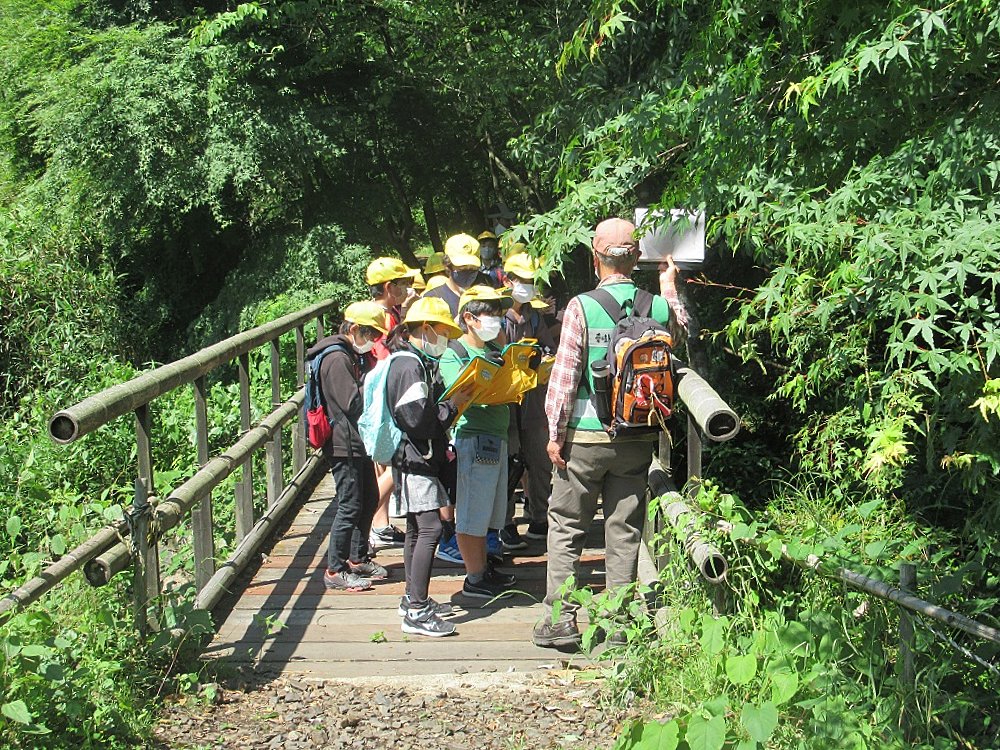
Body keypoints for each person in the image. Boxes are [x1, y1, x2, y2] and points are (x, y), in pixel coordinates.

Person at [532, 217, 680, 649]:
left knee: (565, 526)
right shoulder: (655, 306)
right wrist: (668, 286)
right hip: (636, 436)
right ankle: (621, 625)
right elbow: (681, 333)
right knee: (624, 529)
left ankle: (560, 620)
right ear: (636, 258)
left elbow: (563, 378)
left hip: (585, 436)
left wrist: (554, 435)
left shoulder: (582, 306)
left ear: (595, 256)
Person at [385, 297, 475, 635]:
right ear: (425, 329)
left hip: (411, 457)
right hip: (414, 458)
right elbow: (416, 421)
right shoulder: (409, 365)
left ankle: (412, 599)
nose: (444, 340)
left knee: (415, 529)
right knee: (430, 529)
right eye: (441, 332)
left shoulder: (409, 360)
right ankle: (418, 611)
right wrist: (452, 407)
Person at [437, 285, 519, 599]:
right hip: (473, 440)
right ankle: (473, 577)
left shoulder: (492, 352)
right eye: (491, 314)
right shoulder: (454, 353)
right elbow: (459, 397)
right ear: (470, 318)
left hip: (497, 437)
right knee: (472, 512)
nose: (497, 320)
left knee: (490, 512)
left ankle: (484, 569)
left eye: (500, 313)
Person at [314, 301, 392, 592]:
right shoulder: (336, 359)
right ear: (355, 328)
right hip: (342, 443)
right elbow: (352, 403)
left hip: (356, 440)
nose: (373, 340)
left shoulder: (348, 354)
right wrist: (375, 382)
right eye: (370, 334)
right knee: (349, 504)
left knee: (369, 497)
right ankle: (335, 568)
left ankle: (357, 558)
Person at [499, 252, 557, 550]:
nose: (527, 285)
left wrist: (544, 358)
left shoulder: (534, 315)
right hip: (505, 400)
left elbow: (548, 347)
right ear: (507, 280)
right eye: (522, 280)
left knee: (539, 459)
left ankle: (538, 515)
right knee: (508, 462)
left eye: (531, 281)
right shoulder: (496, 314)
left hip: (533, 399)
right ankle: (505, 523)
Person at [365, 256, 420, 553]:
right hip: (386, 397)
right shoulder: (383, 318)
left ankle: (379, 524)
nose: (408, 287)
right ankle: (364, 523)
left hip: (381, 395)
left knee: (383, 463)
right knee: (397, 462)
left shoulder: (382, 312)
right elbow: (385, 359)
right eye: (404, 283)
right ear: (389, 287)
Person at [421, 233, 485, 317]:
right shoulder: (432, 298)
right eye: (462, 268)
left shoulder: (484, 293)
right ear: (447, 267)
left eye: (473, 268)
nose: (468, 272)